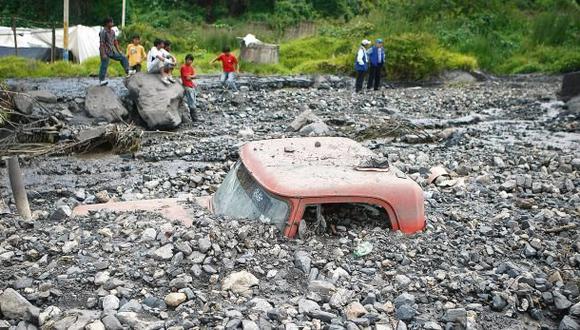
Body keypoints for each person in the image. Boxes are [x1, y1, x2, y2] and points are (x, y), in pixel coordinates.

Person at [99, 17, 130, 86]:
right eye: (111, 22)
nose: (112, 24)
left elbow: (115, 42)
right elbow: (102, 44)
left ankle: (128, 71)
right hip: (105, 51)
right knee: (104, 65)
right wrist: (103, 54)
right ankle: (101, 80)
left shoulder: (112, 32)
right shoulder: (103, 32)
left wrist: (119, 51)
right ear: (107, 23)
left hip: (112, 51)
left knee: (123, 57)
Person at [181, 54, 198, 121]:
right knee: (191, 102)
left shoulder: (191, 67)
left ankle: (194, 117)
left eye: (191, 60)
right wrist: (192, 76)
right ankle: (194, 118)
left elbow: (195, 75)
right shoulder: (183, 67)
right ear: (186, 60)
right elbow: (187, 78)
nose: (190, 61)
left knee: (193, 101)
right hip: (187, 86)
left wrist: (191, 76)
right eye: (188, 60)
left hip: (191, 86)